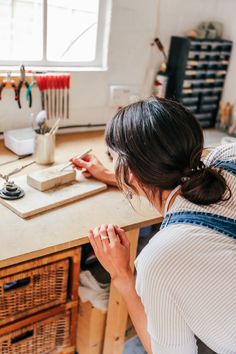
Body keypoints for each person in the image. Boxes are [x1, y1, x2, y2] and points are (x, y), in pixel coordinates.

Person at [71, 97, 236, 354]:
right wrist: (112, 176)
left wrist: (122, 276)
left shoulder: (159, 260)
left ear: (132, 175)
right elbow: (182, 180)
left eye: (112, 158)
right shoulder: (228, 155)